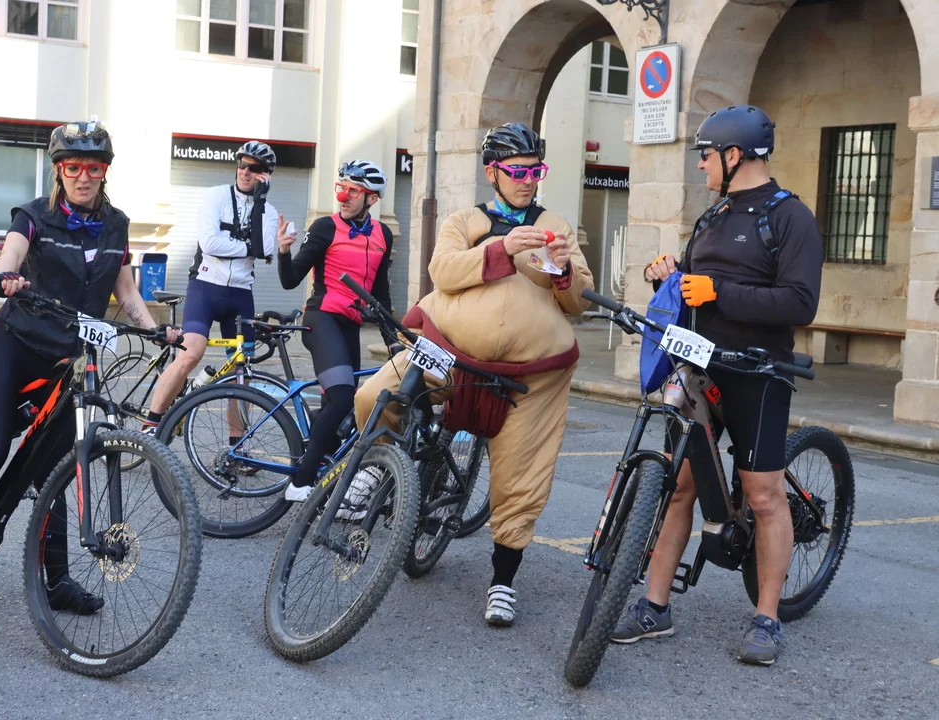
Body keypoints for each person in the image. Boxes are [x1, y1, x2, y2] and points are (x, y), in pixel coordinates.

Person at [0, 121, 179, 612]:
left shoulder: (116, 225)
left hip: (65, 360)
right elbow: (10, 255)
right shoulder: (34, 215)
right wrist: (5, 277)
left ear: (104, 173)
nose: (83, 177)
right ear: (60, 171)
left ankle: (57, 583)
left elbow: (125, 290)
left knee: (55, 470)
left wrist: (155, 329)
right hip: (12, 346)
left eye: (93, 168)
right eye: (73, 168)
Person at [352, 123, 594, 626]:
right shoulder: (465, 220)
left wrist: (565, 272)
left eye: (536, 171)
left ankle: (503, 581)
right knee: (374, 395)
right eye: (518, 172)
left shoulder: (556, 226)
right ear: (493, 173)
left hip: (531, 376)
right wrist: (502, 249)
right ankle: (377, 465)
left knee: (521, 480)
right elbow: (442, 272)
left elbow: (578, 303)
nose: (528, 180)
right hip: (448, 353)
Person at [610, 105, 823, 666]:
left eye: (705, 155)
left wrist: (718, 293)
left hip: (758, 373)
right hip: (700, 368)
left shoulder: (790, 217)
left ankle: (767, 619)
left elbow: (800, 303)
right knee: (680, 485)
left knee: (764, 495)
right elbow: (694, 281)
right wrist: (669, 275)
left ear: (734, 155)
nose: (701, 165)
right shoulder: (715, 214)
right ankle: (655, 607)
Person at [142, 141, 288, 433]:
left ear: (265, 175)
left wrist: (259, 203)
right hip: (205, 288)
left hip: (240, 295)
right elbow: (209, 243)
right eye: (241, 164)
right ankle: (152, 423)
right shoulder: (216, 196)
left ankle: (237, 446)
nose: (245, 171)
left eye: (254, 168)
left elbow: (264, 249)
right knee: (191, 352)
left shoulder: (269, 212)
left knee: (242, 372)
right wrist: (248, 247)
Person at [278, 160, 394, 505]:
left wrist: (393, 343)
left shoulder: (383, 235)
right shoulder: (325, 227)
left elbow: (381, 293)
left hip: (350, 326)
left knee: (346, 407)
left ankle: (317, 460)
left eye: (352, 191)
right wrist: (284, 251)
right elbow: (290, 280)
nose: (343, 196)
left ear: (372, 198)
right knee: (344, 396)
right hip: (322, 319)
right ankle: (300, 482)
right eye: (340, 188)